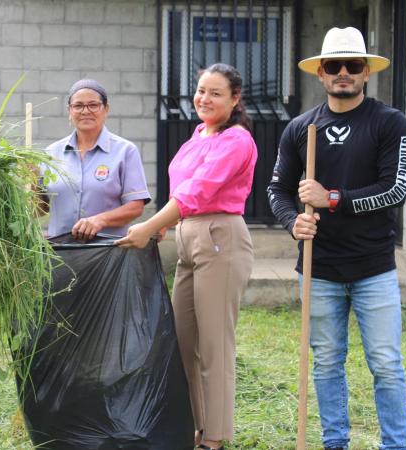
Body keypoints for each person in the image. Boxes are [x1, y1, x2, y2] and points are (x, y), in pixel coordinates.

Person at [267, 27, 406, 450]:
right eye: (335, 66)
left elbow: (395, 190)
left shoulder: (390, 123)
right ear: (321, 74)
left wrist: (332, 198)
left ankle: (394, 446)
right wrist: (293, 221)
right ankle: (335, 444)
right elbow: (277, 189)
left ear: (366, 72)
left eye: (353, 65)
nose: (343, 73)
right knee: (327, 364)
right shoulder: (300, 128)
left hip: (373, 269)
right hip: (320, 268)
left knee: (386, 364)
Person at [117, 63, 257, 450]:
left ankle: (214, 437)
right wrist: (163, 225)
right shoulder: (197, 135)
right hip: (188, 237)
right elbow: (181, 192)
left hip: (220, 237)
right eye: (200, 91)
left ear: (234, 98)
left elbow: (198, 191)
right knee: (182, 342)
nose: (205, 99)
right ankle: (193, 425)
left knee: (215, 345)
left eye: (215, 93)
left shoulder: (236, 140)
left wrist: (147, 226)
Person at [42, 79, 151, 241]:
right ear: (69, 111)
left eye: (93, 105)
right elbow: (40, 210)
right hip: (60, 252)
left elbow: (135, 207)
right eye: (78, 106)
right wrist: (29, 181)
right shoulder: (51, 153)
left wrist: (99, 220)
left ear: (105, 109)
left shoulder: (125, 151)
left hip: (106, 252)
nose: (85, 111)